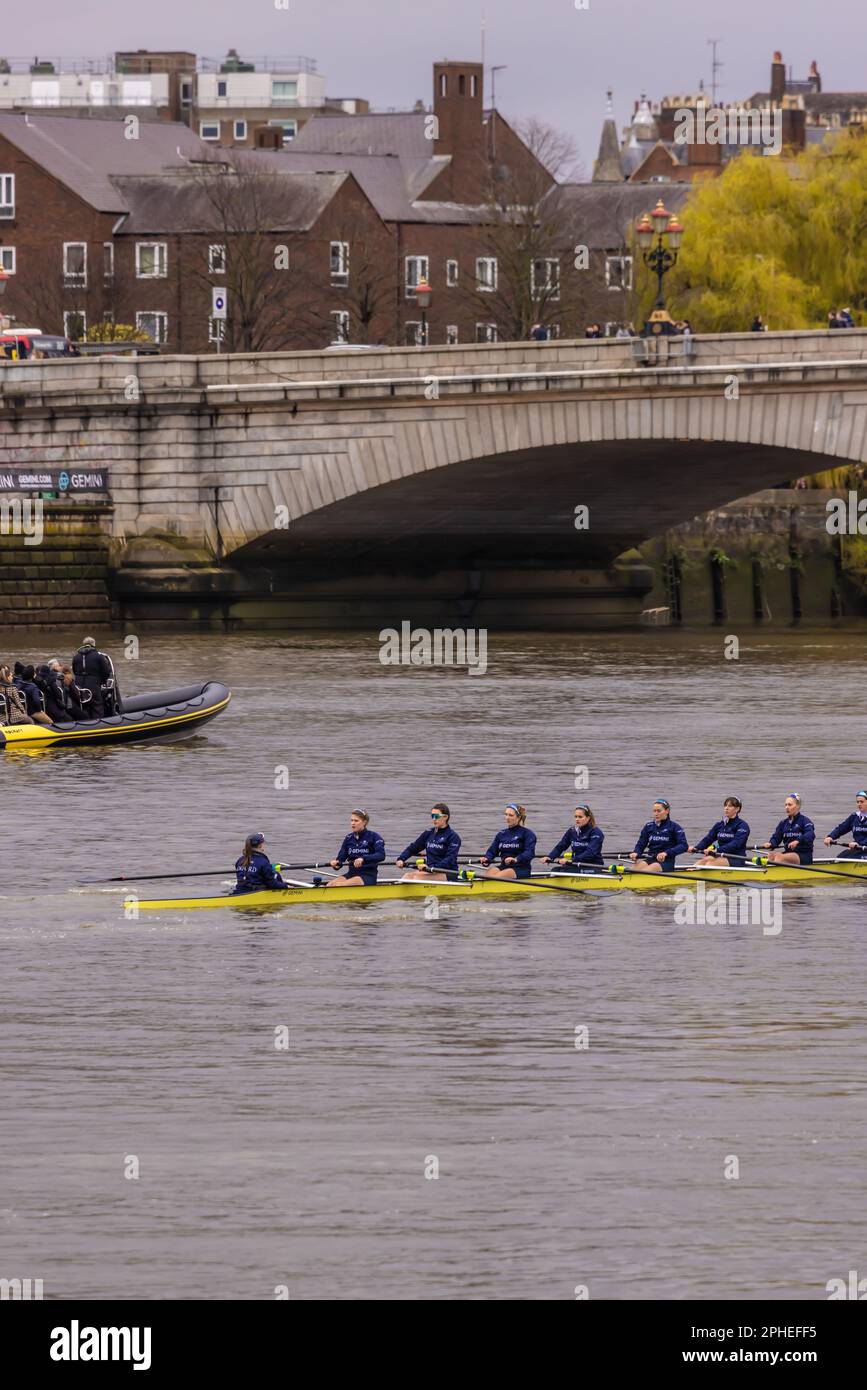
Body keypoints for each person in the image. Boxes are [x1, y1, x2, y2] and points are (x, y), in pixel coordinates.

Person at [396, 803, 461, 881]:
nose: (434, 819)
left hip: (447, 872)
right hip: (429, 870)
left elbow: (450, 859)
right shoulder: (428, 833)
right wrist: (401, 859)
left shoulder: (453, 837)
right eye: (432, 816)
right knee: (407, 876)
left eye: (436, 816)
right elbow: (412, 848)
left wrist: (431, 867)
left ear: (445, 817)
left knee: (416, 878)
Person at [327, 809, 386, 889]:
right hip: (351, 873)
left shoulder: (374, 837)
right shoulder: (348, 838)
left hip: (367, 875)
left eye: (356, 821)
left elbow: (381, 855)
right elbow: (341, 859)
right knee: (329, 885)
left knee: (339, 886)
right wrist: (336, 864)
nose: (353, 823)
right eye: (351, 820)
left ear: (364, 822)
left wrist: (363, 859)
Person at [629, 799, 688, 873]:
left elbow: (684, 845)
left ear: (667, 811)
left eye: (659, 811)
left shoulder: (674, 827)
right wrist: (636, 852)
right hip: (650, 858)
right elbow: (641, 844)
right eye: (654, 811)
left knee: (652, 867)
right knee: (633, 869)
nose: (656, 814)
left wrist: (666, 853)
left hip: (666, 861)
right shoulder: (648, 826)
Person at [479, 803, 537, 879]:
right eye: (506, 814)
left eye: (510, 815)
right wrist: (487, 858)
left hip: (521, 868)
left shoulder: (527, 834)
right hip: (504, 866)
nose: (507, 818)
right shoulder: (501, 834)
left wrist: (516, 859)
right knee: (488, 874)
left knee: (496, 877)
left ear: (518, 817)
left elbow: (530, 853)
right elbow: (492, 851)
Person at [689, 796, 750, 867]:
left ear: (737, 809)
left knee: (710, 864)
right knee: (700, 863)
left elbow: (736, 844)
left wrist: (717, 850)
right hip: (720, 854)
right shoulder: (720, 825)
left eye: (730, 806)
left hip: (736, 858)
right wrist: (697, 848)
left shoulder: (742, 826)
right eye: (725, 805)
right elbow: (708, 839)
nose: (726, 808)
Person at [543, 804, 604, 872]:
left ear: (588, 818)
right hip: (577, 864)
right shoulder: (572, 831)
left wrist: (571, 860)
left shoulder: (596, 832)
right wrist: (550, 857)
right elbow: (560, 846)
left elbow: (590, 853)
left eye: (580, 817)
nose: (577, 819)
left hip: (592, 865)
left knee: (563, 872)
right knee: (555, 870)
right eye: (575, 817)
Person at [760, 793, 815, 865]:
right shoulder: (783, 823)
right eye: (785, 805)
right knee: (770, 856)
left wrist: (797, 841)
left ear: (798, 806)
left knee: (779, 858)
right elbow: (776, 838)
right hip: (788, 854)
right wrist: (771, 843)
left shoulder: (805, 821)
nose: (787, 807)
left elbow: (810, 835)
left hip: (803, 855)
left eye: (790, 805)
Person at [72, 638, 117, 718]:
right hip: (94, 686)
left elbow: (74, 671)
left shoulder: (76, 657)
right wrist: (102, 682)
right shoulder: (98, 656)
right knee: (97, 706)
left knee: (83, 705)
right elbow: (106, 672)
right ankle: (99, 725)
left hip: (79, 686)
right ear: (94, 644)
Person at [824, 790, 867, 858]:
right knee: (840, 857)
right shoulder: (854, 816)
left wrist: (860, 844)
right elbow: (841, 828)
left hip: (863, 848)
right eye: (857, 802)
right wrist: (830, 837)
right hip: (858, 847)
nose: (859, 804)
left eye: (862, 802)